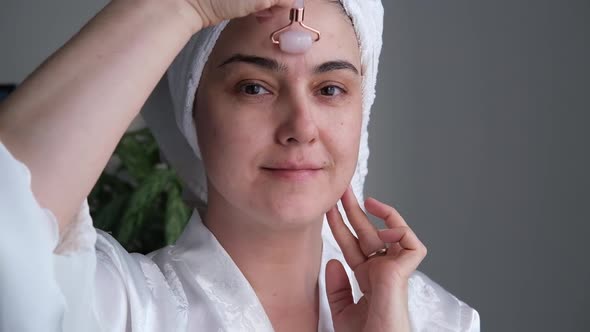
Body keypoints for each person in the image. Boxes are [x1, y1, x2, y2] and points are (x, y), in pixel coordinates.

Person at [0, 0, 480, 331]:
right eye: (254, 87)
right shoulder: (122, 310)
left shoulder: (438, 321)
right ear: (193, 109)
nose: (300, 126)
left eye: (330, 88)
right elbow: (10, 208)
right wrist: (186, 7)